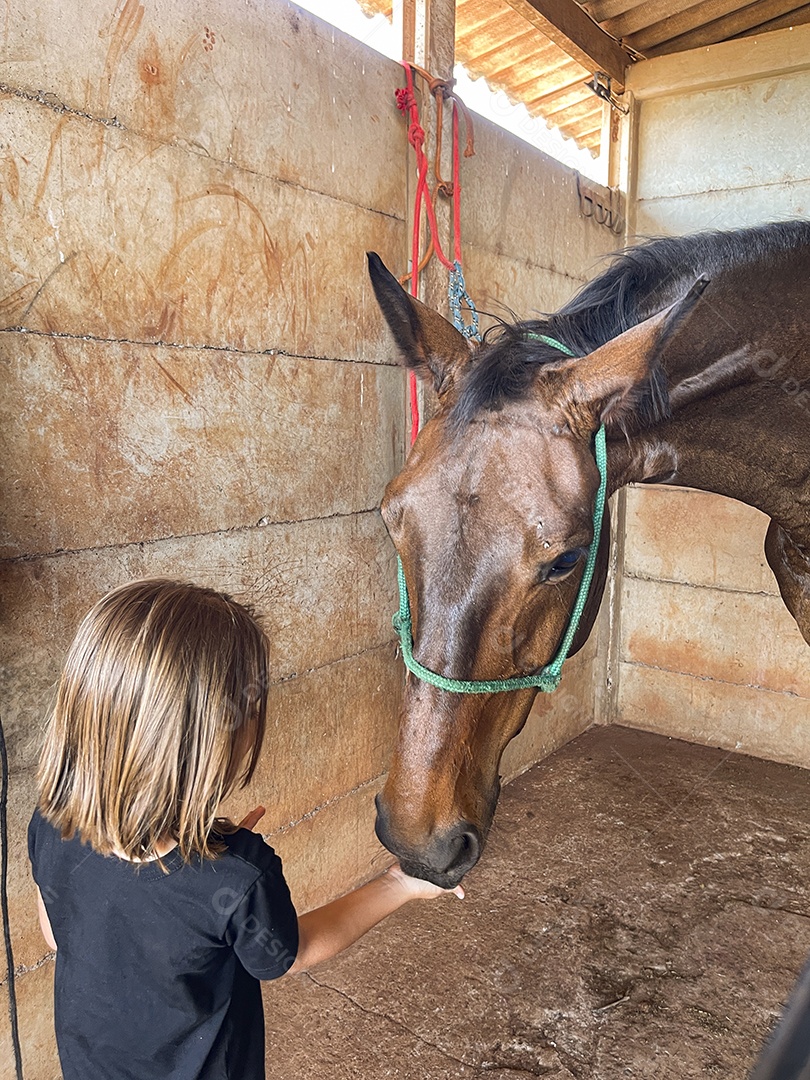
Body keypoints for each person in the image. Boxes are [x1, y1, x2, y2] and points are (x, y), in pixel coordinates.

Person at [29, 578, 463, 1080]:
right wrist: (398, 884)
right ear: (217, 738)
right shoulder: (238, 878)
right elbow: (290, 953)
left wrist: (202, 838)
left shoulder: (49, 819)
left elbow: (56, 935)